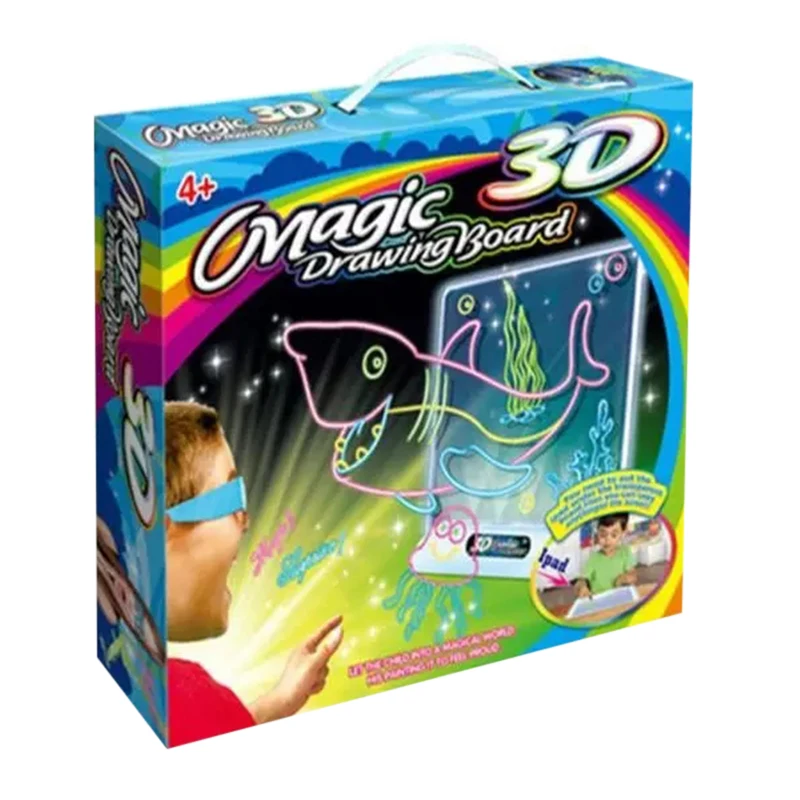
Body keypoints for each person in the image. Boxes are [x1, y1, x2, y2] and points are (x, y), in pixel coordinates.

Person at [165, 401, 343, 747]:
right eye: (229, 501)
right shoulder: (185, 691)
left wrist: (282, 697)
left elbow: (207, 726)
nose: (245, 522)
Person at [575, 513, 637, 598]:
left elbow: (633, 574)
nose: (607, 540)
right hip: (600, 601)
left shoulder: (625, 552)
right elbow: (582, 580)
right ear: (597, 532)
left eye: (613, 535)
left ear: (623, 533)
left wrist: (625, 578)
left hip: (621, 598)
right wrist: (582, 587)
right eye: (603, 535)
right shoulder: (593, 559)